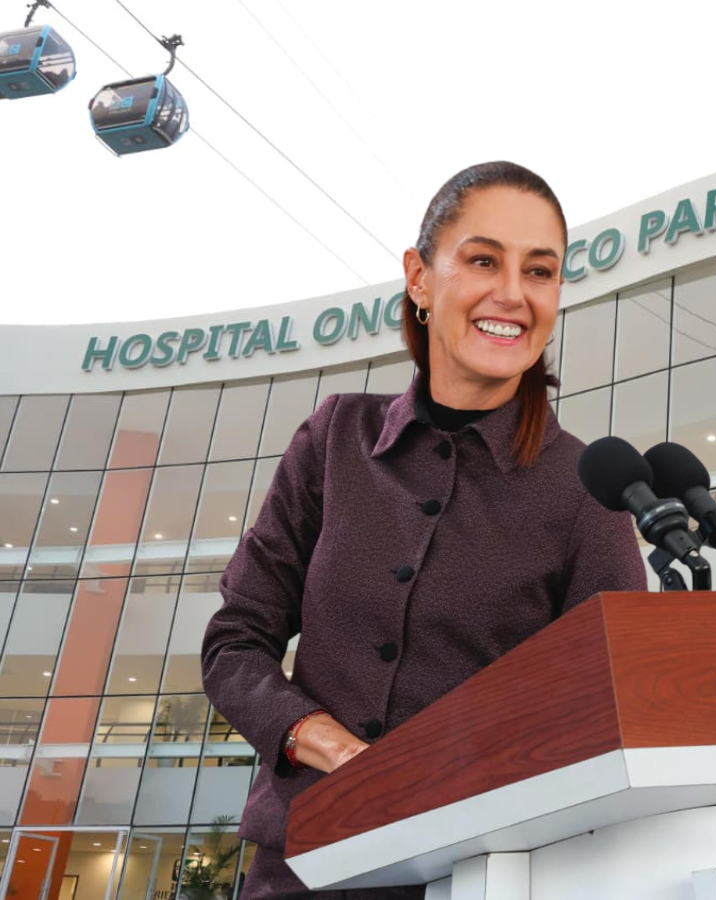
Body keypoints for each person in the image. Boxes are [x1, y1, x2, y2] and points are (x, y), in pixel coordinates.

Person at [202, 162, 647, 899]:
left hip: (478, 873)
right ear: (419, 278)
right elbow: (234, 641)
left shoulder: (587, 489)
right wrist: (322, 741)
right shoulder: (334, 438)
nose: (513, 293)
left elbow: (610, 706)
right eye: (483, 260)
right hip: (299, 865)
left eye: (540, 271)